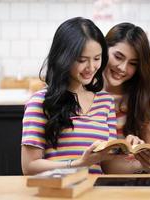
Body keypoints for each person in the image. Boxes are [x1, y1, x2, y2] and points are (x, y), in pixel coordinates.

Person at [21, 17, 117, 175]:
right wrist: (78, 164)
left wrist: (137, 158)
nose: (91, 67)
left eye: (97, 59)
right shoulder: (40, 102)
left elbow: (109, 167)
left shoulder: (105, 101)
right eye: (82, 60)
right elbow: (29, 167)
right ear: (62, 58)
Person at [101, 23, 150, 174]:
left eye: (133, 63)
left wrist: (141, 157)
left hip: (138, 177)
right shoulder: (84, 94)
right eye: (118, 57)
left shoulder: (143, 99)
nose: (123, 68)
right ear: (103, 49)